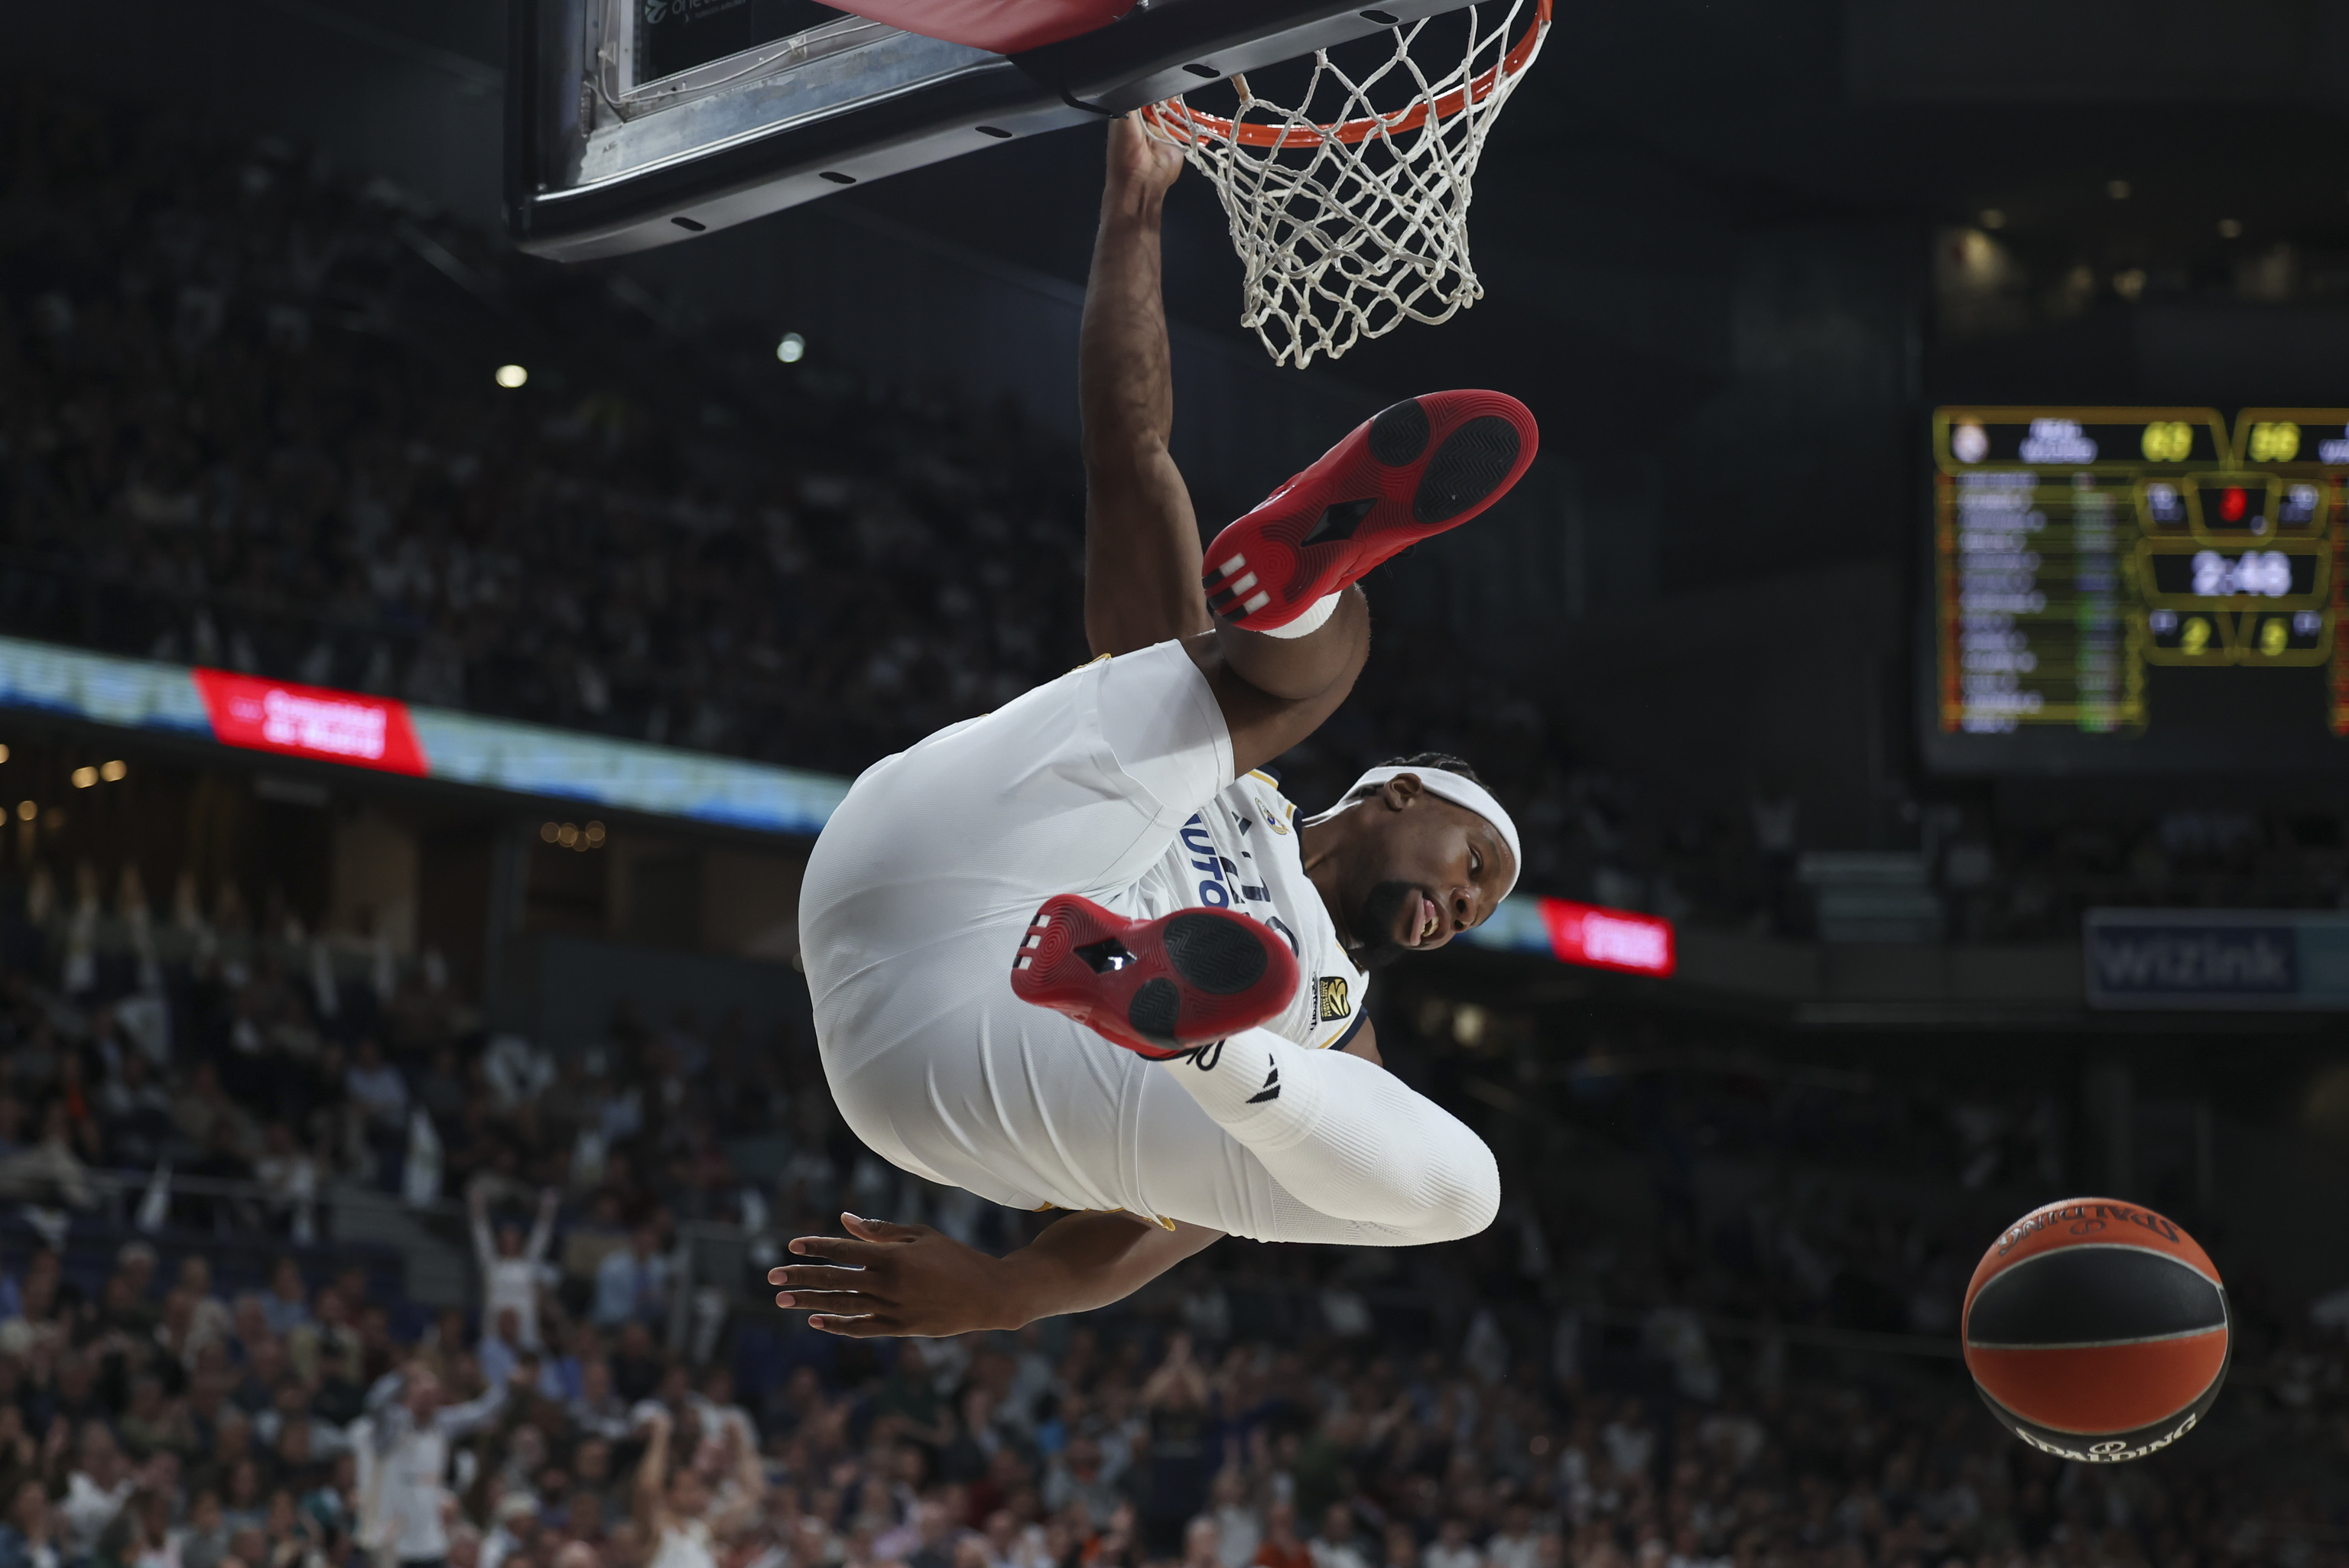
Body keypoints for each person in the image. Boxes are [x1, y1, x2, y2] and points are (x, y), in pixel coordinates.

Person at [778, 113, 1535, 1337]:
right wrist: (1135, 211)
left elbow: (1162, 1214)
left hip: (973, 1067)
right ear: (1400, 793)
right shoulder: (1227, 778)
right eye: (1474, 866)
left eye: (1477, 912)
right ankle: (1296, 591)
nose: (1462, 911)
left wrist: (1012, 1289)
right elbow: (1133, 458)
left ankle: (1197, 1032)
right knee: (1267, 679)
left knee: (1456, 1187)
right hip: (949, 868)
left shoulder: (1339, 1021)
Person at [469, 1185, 560, 1352]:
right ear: (499, 1242)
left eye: (514, 1238)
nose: (510, 1242)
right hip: (495, 1326)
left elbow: (542, 1236)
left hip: (526, 1326)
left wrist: (549, 1208)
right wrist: (476, 1205)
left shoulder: (528, 1265)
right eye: (506, 1238)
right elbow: (481, 1236)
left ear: (520, 1242)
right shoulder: (492, 1265)